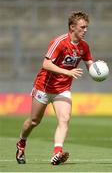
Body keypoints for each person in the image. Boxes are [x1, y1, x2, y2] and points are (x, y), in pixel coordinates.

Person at [16, 10, 93, 165]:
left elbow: (90, 64)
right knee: (34, 121)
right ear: (72, 27)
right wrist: (68, 72)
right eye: (82, 27)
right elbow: (46, 64)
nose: (86, 30)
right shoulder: (59, 42)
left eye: (86, 27)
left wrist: (98, 69)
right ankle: (21, 143)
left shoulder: (84, 46)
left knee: (64, 119)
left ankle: (57, 153)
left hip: (62, 89)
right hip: (43, 87)